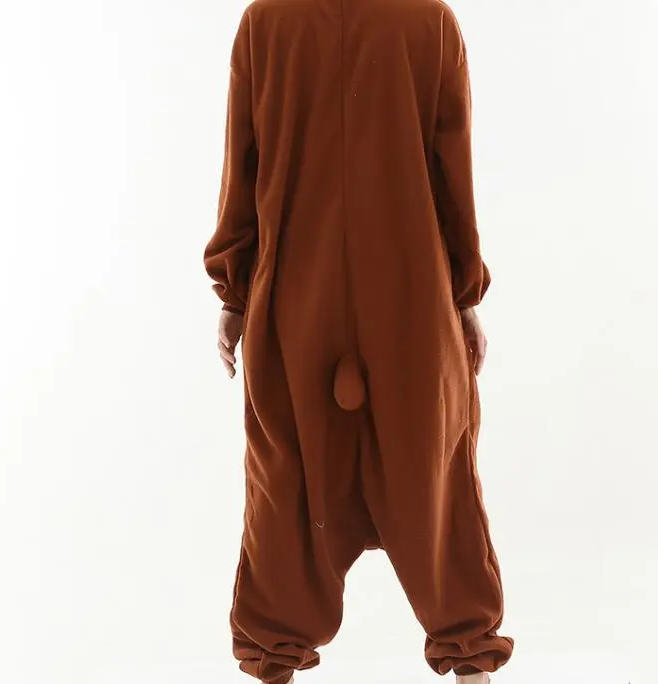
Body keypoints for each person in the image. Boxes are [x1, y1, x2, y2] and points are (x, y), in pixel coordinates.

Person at [203, 0, 513, 682]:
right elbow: (452, 169)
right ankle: (471, 661)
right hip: (408, 289)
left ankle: (273, 662)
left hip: (294, 292)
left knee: (286, 477)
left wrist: (234, 291)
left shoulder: (265, 22)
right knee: (434, 471)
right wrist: (463, 293)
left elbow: (241, 164)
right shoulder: (428, 21)